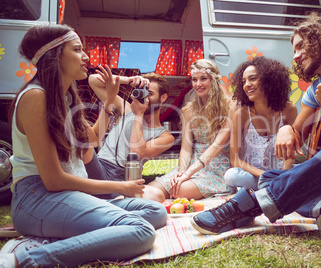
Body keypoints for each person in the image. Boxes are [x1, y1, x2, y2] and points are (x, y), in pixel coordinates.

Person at [191, 14, 321, 236]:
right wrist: (285, 129)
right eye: (293, 50)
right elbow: (296, 132)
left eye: (301, 46)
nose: (296, 56)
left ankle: (250, 205)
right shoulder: (315, 89)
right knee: (272, 176)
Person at [0, 24, 167, 268]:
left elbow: (93, 140)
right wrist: (119, 186)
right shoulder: (36, 97)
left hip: (71, 194)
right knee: (140, 230)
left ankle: (73, 230)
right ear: (54, 55)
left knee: (156, 212)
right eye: (77, 49)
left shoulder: (65, 98)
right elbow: (53, 181)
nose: (86, 57)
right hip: (38, 198)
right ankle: (21, 259)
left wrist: (110, 100)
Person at [83, 67, 175, 202]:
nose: (144, 97)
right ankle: (115, 200)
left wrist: (138, 115)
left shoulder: (165, 137)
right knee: (83, 141)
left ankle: (110, 200)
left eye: (149, 93)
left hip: (124, 178)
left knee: (157, 195)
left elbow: (136, 152)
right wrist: (128, 80)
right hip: (99, 167)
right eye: (141, 92)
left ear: (163, 97)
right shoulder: (125, 109)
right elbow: (93, 80)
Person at [148, 59, 234, 200]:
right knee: (151, 189)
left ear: (213, 80)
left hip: (216, 168)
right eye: (194, 79)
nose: (198, 84)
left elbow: (216, 146)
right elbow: (187, 148)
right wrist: (181, 172)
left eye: (203, 79)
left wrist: (187, 175)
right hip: (191, 165)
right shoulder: (189, 109)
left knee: (179, 190)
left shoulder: (229, 106)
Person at [224, 57, 297, 191]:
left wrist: (282, 175)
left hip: (281, 174)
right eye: (244, 81)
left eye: (252, 79)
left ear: (269, 80)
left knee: (305, 171)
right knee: (231, 175)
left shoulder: (289, 110)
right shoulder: (241, 114)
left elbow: (292, 152)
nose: (247, 85)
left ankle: (274, 188)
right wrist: (265, 176)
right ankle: (274, 189)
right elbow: (235, 160)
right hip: (255, 176)